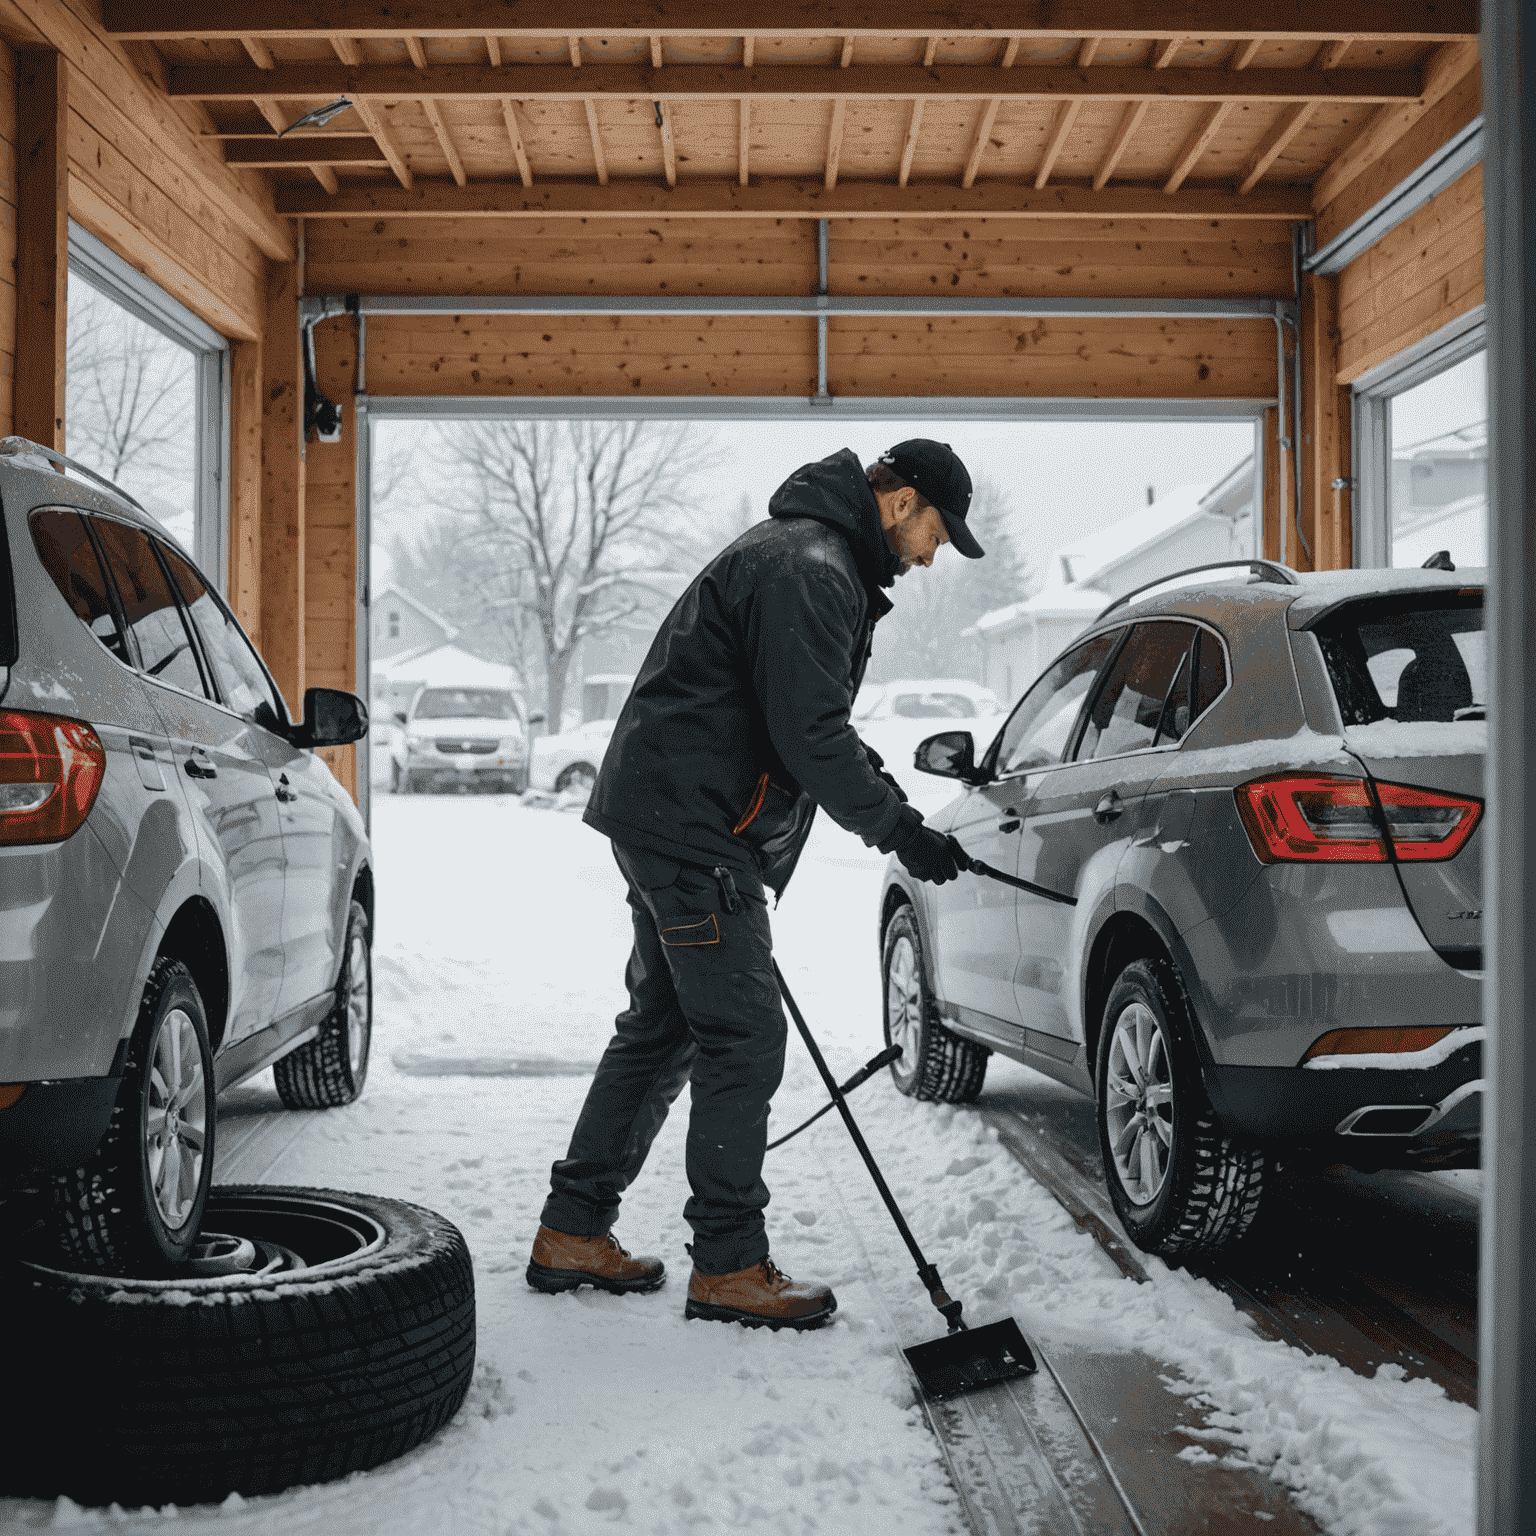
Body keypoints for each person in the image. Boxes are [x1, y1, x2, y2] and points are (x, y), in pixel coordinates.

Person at [526, 440, 983, 1329]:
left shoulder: (803, 553)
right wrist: (896, 828)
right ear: (901, 502)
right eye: (936, 532)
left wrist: (892, 804)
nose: (931, 555)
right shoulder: (813, 567)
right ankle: (729, 1265)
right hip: (695, 831)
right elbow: (809, 734)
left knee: (662, 1029)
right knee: (742, 1036)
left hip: (668, 816)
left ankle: (573, 1230)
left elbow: (803, 722)